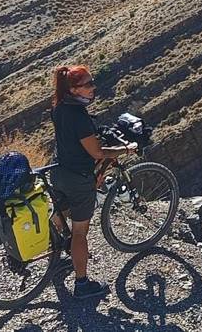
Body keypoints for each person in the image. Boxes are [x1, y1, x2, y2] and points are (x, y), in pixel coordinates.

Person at [49, 65, 137, 300]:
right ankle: (82, 284)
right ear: (74, 89)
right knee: (80, 232)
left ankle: (54, 257)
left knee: (59, 215)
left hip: (57, 171)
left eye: (92, 82)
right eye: (88, 84)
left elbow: (71, 140)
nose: (93, 88)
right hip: (77, 178)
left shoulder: (58, 106)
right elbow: (97, 152)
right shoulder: (79, 116)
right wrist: (124, 149)